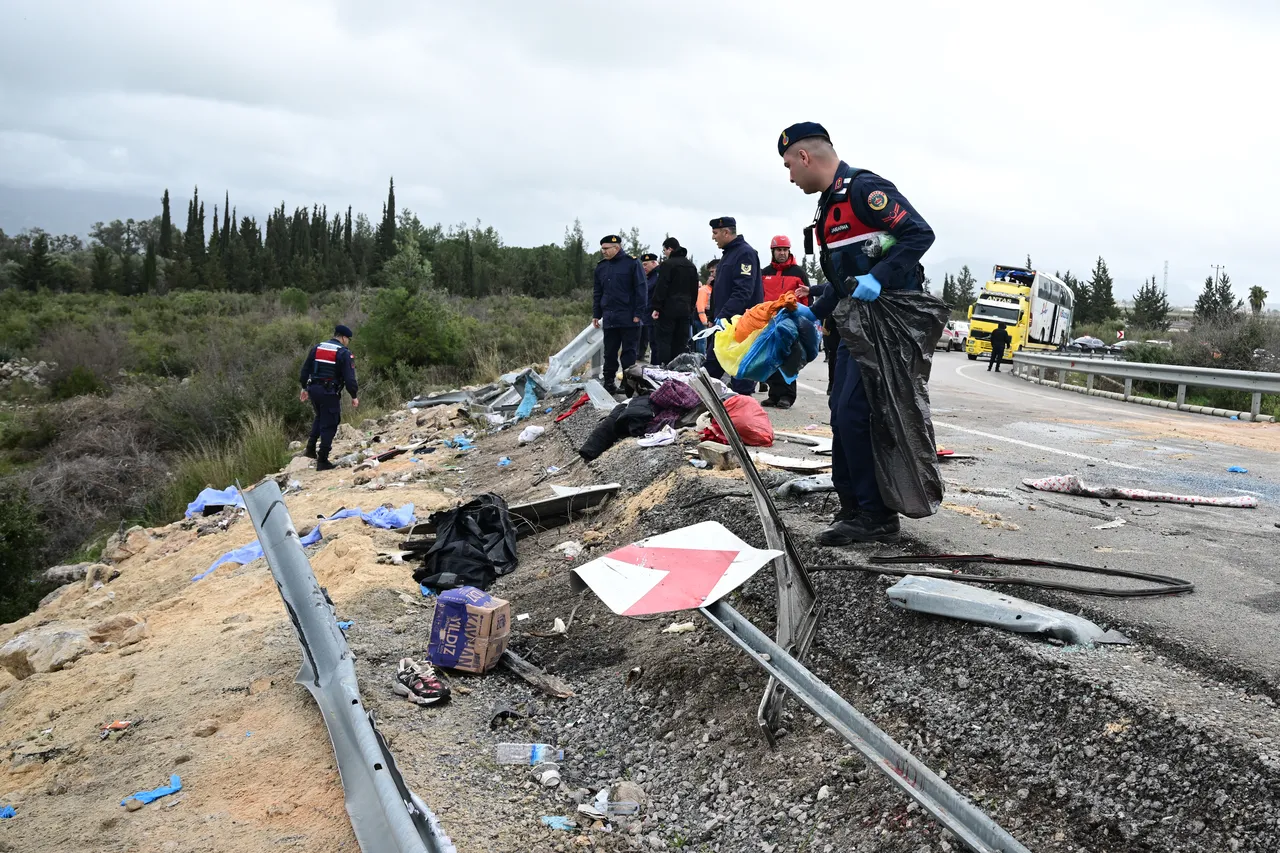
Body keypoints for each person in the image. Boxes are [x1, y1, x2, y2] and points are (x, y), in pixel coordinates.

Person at [780, 122, 936, 544]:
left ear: (806, 156)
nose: (790, 175)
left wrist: (881, 277)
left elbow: (919, 234)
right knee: (841, 414)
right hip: (853, 324)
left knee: (855, 413)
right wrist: (814, 311)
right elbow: (844, 279)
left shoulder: (865, 190)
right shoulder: (829, 207)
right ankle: (853, 508)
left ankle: (876, 516)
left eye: (789, 164)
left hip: (886, 323)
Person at [706, 216, 763, 395]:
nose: (713, 237)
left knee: (740, 373)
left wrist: (723, 315)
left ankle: (742, 412)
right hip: (726, 324)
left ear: (726, 232)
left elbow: (743, 291)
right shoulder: (728, 254)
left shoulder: (744, 253)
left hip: (740, 324)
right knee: (710, 370)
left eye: (715, 233)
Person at [760, 235, 811, 409]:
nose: (782, 253)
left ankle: (787, 396)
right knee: (770, 358)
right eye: (779, 250)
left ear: (789, 251)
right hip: (768, 322)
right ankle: (773, 394)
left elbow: (806, 298)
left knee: (789, 359)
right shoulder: (764, 272)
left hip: (790, 323)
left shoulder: (798, 272)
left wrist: (802, 320)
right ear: (773, 252)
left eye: (785, 249)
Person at [299, 323, 359, 471]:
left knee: (320, 417)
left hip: (314, 389)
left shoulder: (318, 347)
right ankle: (323, 460)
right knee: (330, 422)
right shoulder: (343, 353)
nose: (348, 342)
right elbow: (350, 378)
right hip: (329, 392)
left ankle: (311, 449)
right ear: (344, 338)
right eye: (348, 339)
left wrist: (304, 388)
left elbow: (305, 369)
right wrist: (354, 395)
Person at [592, 234, 647, 394]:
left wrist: (638, 313)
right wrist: (597, 314)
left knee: (629, 352)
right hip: (610, 317)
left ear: (617, 248)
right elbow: (598, 292)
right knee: (609, 352)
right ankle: (609, 383)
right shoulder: (601, 267)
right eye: (602, 248)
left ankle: (628, 384)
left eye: (606, 249)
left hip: (629, 316)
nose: (603, 252)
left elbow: (641, 289)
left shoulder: (631, 263)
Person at [650, 237, 700, 365]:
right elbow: (694, 290)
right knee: (681, 341)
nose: (665, 254)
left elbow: (662, 287)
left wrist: (656, 307)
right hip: (685, 310)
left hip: (668, 309)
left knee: (665, 340)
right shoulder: (691, 266)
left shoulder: (667, 265)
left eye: (664, 250)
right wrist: (691, 308)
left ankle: (665, 368)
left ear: (669, 248)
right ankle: (678, 368)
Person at [638, 252, 660, 362]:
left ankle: (656, 366)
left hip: (655, 315)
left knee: (656, 344)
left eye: (646, 264)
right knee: (650, 342)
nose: (643, 267)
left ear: (654, 263)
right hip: (647, 315)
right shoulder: (649, 276)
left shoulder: (658, 275)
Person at [692, 260, 716, 355]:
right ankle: (701, 357)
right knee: (702, 340)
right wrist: (704, 321)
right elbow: (700, 306)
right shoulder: (704, 290)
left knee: (704, 340)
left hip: (707, 317)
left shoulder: (711, 290)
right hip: (701, 318)